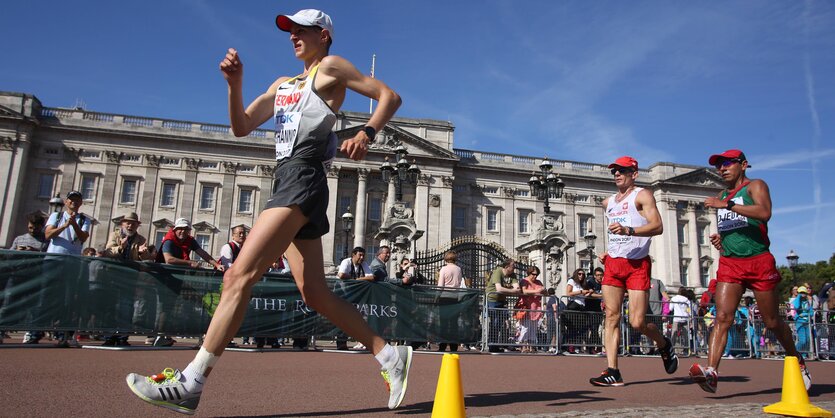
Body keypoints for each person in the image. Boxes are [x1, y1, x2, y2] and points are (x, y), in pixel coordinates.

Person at [126, 9, 410, 414]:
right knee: (314, 293)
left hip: (304, 177)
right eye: (289, 30)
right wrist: (235, 84)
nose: (293, 35)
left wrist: (367, 132)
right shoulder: (283, 84)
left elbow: (389, 96)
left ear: (324, 36)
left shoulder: (329, 68)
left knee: (238, 275)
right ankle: (389, 356)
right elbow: (241, 126)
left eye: (301, 30)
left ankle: (192, 381)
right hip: (286, 179)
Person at [689, 149, 811, 393]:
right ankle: (711, 371)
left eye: (727, 164)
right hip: (731, 263)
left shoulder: (755, 186)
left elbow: (764, 213)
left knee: (772, 321)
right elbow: (734, 227)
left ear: (743, 165)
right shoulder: (722, 194)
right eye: (719, 165)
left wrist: (728, 204)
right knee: (722, 318)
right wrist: (722, 243)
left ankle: (798, 360)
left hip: (758, 261)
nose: (722, 168)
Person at [590, 156, 677, 387]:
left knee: (637, 322)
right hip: (614, 264)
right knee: (611, 317)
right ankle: (613, 371)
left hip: (637, 265)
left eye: (622, 170)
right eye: (614, 171)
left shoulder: (643, 194)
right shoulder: (608, 203)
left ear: (634, 173)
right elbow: (613, 233)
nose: (617, 174)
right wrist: (609, 253)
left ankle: (664, 344)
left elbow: (657, 226)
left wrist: (629, 230)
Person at [45, 190, 92, 347]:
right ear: (66, 202)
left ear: (81, 203)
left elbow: (83, 237)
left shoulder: (84, 219)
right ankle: (38, 330)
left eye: (77, 200)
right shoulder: (56, 216)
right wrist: (65, 225)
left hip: (72, 262)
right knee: (49, 296)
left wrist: (73, 225)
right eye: (71, 200)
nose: (74, 202)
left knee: (68, 298)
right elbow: (48, 235)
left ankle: (62, 333)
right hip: (53, 260)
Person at [485, 259, 521, 352]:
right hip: (492, 300)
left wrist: (514, 289)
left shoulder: (512, 275)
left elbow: (517, 287)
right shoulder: (498, 272)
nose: (514, 268)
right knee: (494, 322)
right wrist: (512, 291)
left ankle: (500, 344)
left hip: (502, 301)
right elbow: (499, 288)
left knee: (503, 323)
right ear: (506, 267)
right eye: (513, 266)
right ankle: (492, 345)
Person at [437, 250, 464, 352]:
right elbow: (460, 283)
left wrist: (436, 296)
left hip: (444, 297)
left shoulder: (444, 269)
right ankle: (454, 346)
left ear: (446, 259)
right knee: (453, 323)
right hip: (455, 297)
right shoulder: (459, 269)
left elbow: (440, 285)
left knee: (443, 322)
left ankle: (442, 346)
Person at [517, 266, 546, 353]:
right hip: (526, 307)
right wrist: (537, 290)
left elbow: (543, 291)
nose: (535, 276)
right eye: (533, 274)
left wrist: (544, 291)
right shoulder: (524, 281)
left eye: (536, 275)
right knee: (525, 327)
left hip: (536, 307)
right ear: (529, 273)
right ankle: (523, 345)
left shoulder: (538, 282)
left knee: (533, 328)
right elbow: (524, 291)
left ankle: (531, 345)